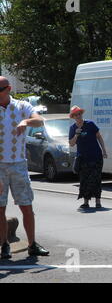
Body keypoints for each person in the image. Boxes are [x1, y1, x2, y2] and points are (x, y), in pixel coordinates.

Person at [0, 76, 49, 259]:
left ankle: (32, 244)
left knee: (26, 206)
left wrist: (26, 122)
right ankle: (4, 245)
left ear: (8, 89)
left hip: (19, 163)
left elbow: (40, 120)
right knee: (0, 208)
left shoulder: (22, 106)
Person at [69, 106, 107, 209]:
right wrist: (76, 135)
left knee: (96, 178)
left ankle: (98, 202)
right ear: (73, 117)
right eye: (75, 115)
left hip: (96, 156)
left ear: (81, 114)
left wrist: (104, 150)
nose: (78, 116)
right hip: (83, 158)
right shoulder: (73, 128)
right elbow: (71, 144)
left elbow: (99, 137)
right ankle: (86, 202)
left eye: (79, 114)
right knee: (84, 179)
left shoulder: (90, 124)